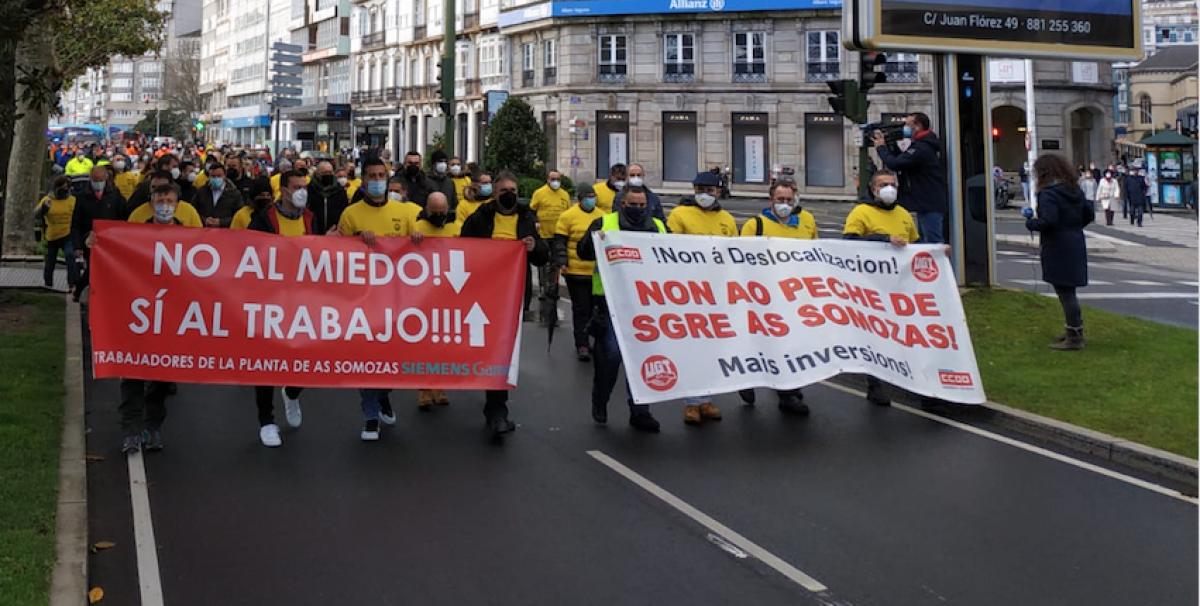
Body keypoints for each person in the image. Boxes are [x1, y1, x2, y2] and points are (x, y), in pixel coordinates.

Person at [109, 184, 200, 452]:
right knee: (133, 372)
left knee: (161, 375)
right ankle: (130, 430)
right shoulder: (134, 232)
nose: (164, 204)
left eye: (170, 200)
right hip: (139, 312)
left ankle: (153, 428)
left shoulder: (191, 236)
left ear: (177, 204)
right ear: (151, 202)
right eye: (160, 199)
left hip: (172, 315)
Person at [461, 171, 549, 437]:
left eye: (512, 190)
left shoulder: (527, 217)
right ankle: (494, 406)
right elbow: (463, 248)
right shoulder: (481, 218)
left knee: (505, 352)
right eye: (503, 191)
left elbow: (542, 258)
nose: (508, 194)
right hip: (484, 294)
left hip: (514, 294)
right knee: (490, 349)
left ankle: (496, 408)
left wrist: (534, 247)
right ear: (494, 194)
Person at [336, 157, 412, 441]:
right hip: (363, 301)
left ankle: (382, 395)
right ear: (364, 180)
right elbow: (336, 258)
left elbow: (421, 252)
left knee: (394, 358)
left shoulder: (405, 213)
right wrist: (355, 239)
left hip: (397, 300)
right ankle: (370, 415)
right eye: (372, 176)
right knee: (368, 358)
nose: (378, 180)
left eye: (382, 175)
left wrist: (419, 238)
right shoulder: (351, 215)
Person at [576, 185, 663, 432]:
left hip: (647, 304)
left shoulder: (657, 226)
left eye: (641, 205)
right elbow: (583, 253)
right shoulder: (604, 223)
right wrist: (596, 242)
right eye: (632, 204)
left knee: (644, 358)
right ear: (621, 204)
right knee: (611, 356)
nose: (637, 209)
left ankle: (640, 411)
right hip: (611, 303)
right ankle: (600, 399)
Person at [237, 171, 314, 447]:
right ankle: (266, 421)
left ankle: (292, 393)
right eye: (296, 187)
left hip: (304, 302)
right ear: (283, 190)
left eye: (304, 187)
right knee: (266, 362)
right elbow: (249, 253)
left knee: (307, 359)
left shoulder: (310, 219)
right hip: (270, 302)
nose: (302, 192)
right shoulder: (263, 221)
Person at [736, 180, 817, 414]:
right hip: (764, 295)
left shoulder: (807, 222)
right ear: (771, 200)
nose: (785, 204)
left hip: (794, 294)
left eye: (789, 200)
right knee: (759, 342)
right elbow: (741, 260)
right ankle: (747, 380)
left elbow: (815, 252)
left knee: (791, 344)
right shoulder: (755, 226)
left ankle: (789, 391)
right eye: (780, 200)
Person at [843, 169, 921, 406]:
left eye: (892, 184)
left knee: (903, 333)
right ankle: (875, 384)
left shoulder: (904, 214)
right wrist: (884, 241)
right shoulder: (861, 212)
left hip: (900, 287)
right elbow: (849, 243)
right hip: (870, 288)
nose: (889, 188)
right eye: (883, 184)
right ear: (873, 189)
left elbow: (916, 246)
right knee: (876, 335)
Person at [666, 171, 737, 425]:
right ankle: (691, 403)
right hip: (688, 291)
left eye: (710, 190)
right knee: (691, 347)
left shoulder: (727, 219)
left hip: (716, 291)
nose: (705, 195)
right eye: (700, 190)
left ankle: (706, 399)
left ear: (719, 192)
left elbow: (734, 253)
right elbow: (669, 249)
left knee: (711, 348)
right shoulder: (679, 215)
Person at [1022, 154, 1094, 350]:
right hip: (1075, 240)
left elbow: (1049, 221)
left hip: (1057, 244)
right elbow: (1089, 214)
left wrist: (1031, 222)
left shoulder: (1048, 194)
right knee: (1068, 290)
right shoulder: (1074, 190)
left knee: (1065, 292)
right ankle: (1073, 330)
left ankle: (1075, 335)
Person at [410, 191, 459, 410]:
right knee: (424, 343)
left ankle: (439, 386)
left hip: (449, 292)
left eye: (442, 212)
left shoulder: (457, 228)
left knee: (443, 342)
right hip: (423, 294)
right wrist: (413, 241)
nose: (439, 216)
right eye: (435, 212)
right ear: (427, 210)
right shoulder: (417, 228)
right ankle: (423, 389)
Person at [872, 112, 949, 244]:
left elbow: (895, 164)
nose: (905, 128)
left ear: (918, 126)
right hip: (926, 202)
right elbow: (903, 161)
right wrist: (891, 146)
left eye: (908, 124)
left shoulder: (922, 148)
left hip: (929, 202)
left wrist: (881, 148)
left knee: (933, 243)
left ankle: (941, 264)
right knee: (924, 241)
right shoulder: (922, 145)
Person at [553, 183, 604, 362]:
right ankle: (582, 344)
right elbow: (560, 242)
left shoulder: (602, 217)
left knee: (595, 309)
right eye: (588, 197)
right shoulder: (568, 217)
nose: (591, 200)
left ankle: (594, 341)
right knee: (581, 309)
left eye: (593, 196)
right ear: (580, 198)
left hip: (596, 273)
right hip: (575, 272)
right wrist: (562, 262)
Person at [530, 169, 571, 318]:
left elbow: (568, 214)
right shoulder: (539, 193)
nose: (555, 182)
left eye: (558, 179)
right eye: (553, 179)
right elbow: (532, 211)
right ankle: (543, 287)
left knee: (555, 263)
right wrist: (535, 223)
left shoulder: (564, 195)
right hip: (543, 234)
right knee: (544, 263)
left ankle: (552, 288)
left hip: (558, 235)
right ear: (547, 179)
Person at [36, 176, 79, 290]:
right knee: (50, 261)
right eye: (62, 188)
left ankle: (72, 283)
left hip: (67, 233)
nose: (65, 191)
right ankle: (48, 284)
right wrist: (44, 208)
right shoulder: (47, 200)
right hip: (52, 235)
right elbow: (36, 215)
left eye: (67, 189)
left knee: (70, 255)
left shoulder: (72, 200)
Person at [308, 160, 349, 234]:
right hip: (314, 233)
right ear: (317, 174)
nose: (328, 175)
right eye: (324, 173)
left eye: (330, 172)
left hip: (335, 233)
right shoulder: (310, 189)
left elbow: (345, 211)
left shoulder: (340, 190)